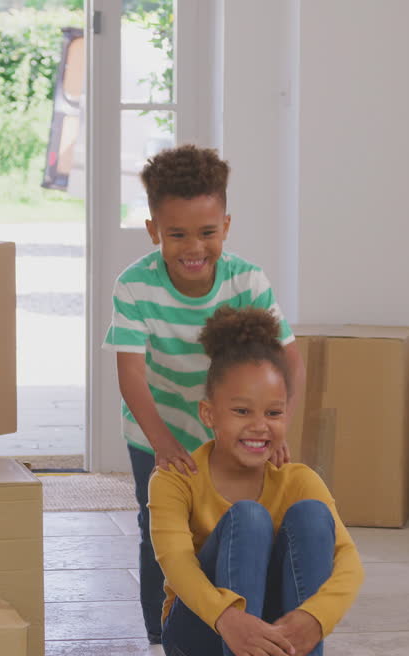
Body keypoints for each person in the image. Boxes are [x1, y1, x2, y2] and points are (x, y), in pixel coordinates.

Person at [102, 145, 306, 648]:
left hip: (235, 429)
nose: (194, 247)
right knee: (162, 522)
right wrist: (162, 444)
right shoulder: (134, 287)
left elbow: (291, 361)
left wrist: (278, 427)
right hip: (157, 429)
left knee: (241, 516)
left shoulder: (246, 280)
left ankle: (243, 616)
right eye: (177, 234)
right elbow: (130, 375)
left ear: (226, 226)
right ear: (154, 232)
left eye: (207, 232)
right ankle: (161, 629)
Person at [149, 306, 364, 656]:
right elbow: (176, 563)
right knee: (249, 517)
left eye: (274, 412)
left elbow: (349, 564)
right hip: (201, 631)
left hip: (276, 635)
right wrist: (229, 618)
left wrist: (315, 617)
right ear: (209, 414)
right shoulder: (176, 478)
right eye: (242, 411)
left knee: (312, 515)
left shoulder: (298, 480)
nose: (260, 425)